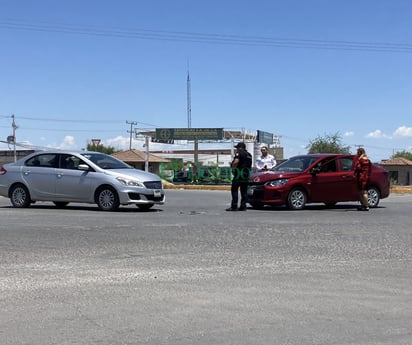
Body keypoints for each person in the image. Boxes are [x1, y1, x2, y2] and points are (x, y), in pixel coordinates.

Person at [226, 142, 252, 211]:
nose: (236, 149)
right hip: (246, 174)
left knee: (234, 189)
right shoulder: (249, 155)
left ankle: (234, 206)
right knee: (244, 191)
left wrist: (233, 170)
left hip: (239, 174)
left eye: (237, 148)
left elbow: (236, 162)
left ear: (241, 148)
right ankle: (243, 206)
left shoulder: (239, 153)